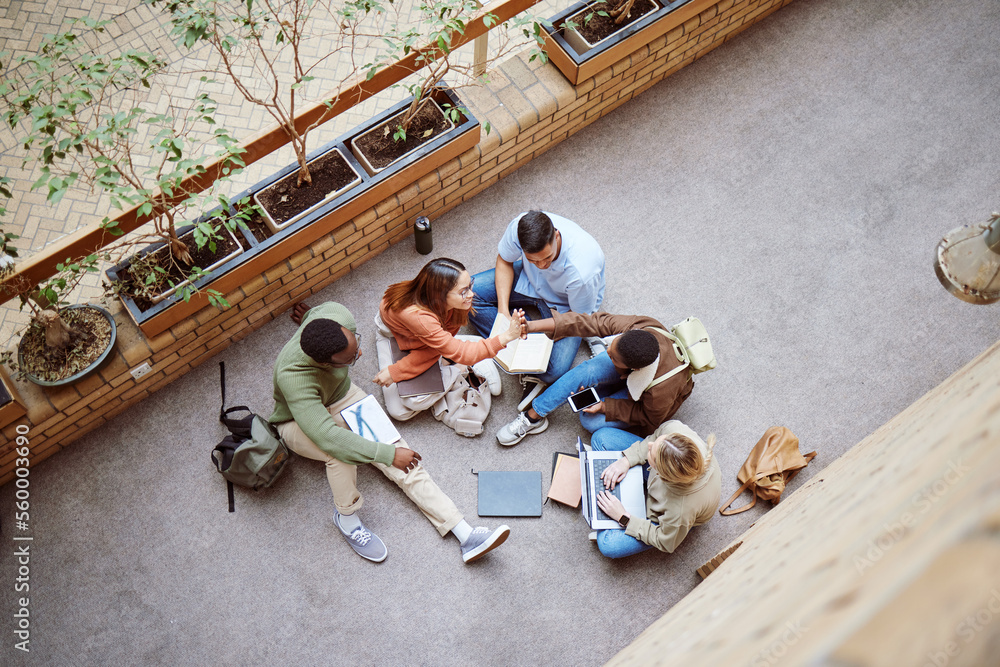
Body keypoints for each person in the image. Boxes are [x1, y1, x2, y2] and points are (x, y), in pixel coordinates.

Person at [270, 301, 510, 563]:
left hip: (340, 397)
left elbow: (319, 315)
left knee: (407, 461)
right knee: (339, 455)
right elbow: (328, 437)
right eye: (350, 359)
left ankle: (466, 535)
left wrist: (310, 318)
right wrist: (387, 454)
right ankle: (347, 519)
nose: (359, 355)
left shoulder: (337, 313)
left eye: (356, 345)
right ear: (324, 363)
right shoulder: (293, 377)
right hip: (295, 421)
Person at [468, 210, 605, 410]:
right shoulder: (518, 227)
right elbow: (505, 260)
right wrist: (503, 312)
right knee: (469, 296)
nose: (541, 265)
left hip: (566, 307)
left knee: (554, 369)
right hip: (529, 282)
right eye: (533, 260)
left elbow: (578, 320)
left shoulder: (581, 272)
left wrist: (532, 329)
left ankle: (509, 347)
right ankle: (510, 343)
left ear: (556, 236)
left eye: (547, 258)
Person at [495, 312, 694, 446]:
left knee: (590, 421)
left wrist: (606, 407)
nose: (607, 352)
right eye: (610, 345)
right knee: (588, 370)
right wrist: (530, 326)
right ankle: (533, 417)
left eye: (613, 357)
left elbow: (646, 417)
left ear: (633, 368)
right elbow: (591, 322)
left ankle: (604, 391)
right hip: (633, 370)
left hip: (646, 395)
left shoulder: (662, 392)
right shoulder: (641, 327)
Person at [373, 257, 524, 421]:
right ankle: (459, 364)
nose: (471, 294)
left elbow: (439, 342)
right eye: (463, 291)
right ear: (440, 295)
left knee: (405, 405)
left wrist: (396, 371)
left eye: (470, 286)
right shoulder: (419, 317)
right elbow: (433, 346)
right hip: (395, 336)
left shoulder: (452, 302)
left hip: (429, 338)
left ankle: (462, 353)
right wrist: (507, 336)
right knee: (399, 412)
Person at [590, 420, 720, 559]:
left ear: (660, 472)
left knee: (609, 545)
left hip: (673, 518)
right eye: (658, 442)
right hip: (668, 474)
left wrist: (623, 518)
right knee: (600, 437)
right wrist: (626, 460)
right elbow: (653, 439)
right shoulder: (674, 428)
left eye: (651, 453)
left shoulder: (680, 511)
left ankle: (622, 509)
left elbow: (665, 542)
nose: (650, 445)